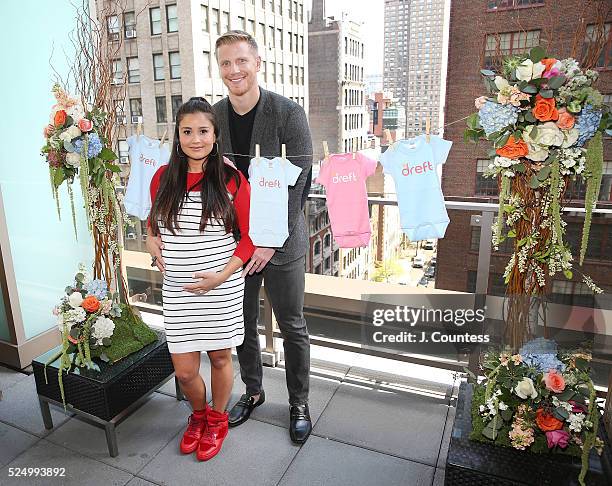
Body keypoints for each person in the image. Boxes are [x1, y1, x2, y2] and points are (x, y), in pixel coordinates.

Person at [150, 30, 314, 443]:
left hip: (281, 245)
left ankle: (299, 402)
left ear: (258, 63)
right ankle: (253, 391)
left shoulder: (288, 114)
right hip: (234, 248)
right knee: (240, 326)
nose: (234, 70)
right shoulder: (214, 117)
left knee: (291, 324)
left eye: (242, 61)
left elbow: (301, 184)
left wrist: (269, 239)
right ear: (219, 68)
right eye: (226, 63)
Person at [146, 97, 254, 461]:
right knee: (185, 370)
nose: (195, 139)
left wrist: (219, 277)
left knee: (221, 357)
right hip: (178, 291)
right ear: (177, 135)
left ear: (215, 135)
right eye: (187, 131)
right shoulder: (162, 177)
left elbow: (250, 238)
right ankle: (198, 415)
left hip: (220, 288)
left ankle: (218, 419)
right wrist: (150, 238)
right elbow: (154, 222)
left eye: (203, 131)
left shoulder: (231, 179)